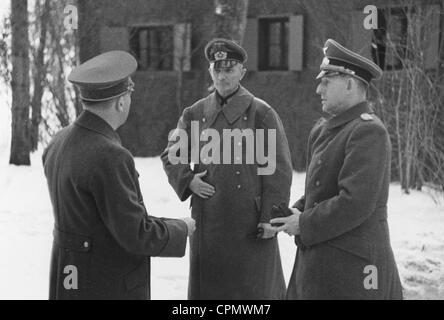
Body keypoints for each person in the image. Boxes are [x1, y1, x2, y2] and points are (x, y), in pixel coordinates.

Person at [42, 51, 195, 300]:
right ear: (120, 102)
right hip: (105, 284)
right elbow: (135, 233)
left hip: (70, 279)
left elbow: (98, 217)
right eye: (129, 95)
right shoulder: (111, 156)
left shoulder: (58, 141)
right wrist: (181, 228)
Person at [161, 39, 293, 299]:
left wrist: (271, 218)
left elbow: (278, 171)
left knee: (252, 295)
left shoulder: (261, 114)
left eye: (229, 70)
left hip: (250, 225)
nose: (222, 76)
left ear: (242, 72)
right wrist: (187, 180)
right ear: (211, 71)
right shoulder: (194, 113)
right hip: (208, 222)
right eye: (217, 69)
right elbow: (172, 155)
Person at [271, 39, 403, 300]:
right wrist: (295, 211)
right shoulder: (323, 129)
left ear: (350, 84)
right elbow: (320, 191)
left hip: (354, 272)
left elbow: (355, 202)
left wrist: (304, 223)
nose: (318, 88)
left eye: (326, 82)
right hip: (319, 265)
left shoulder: (368, 131)